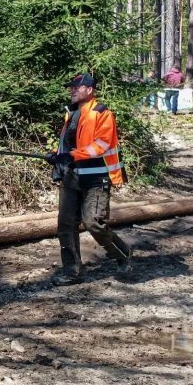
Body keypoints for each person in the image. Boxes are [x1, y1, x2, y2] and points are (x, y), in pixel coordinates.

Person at [44, 73, 133, 286]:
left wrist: (72, 155)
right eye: (71, 87)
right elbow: (70, 143)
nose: (72, 90)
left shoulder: (102, 114)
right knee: (65, 225)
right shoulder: (72, 113)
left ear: (89, 90)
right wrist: (56, 154)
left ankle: (123, 254)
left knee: (94, 223)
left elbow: (100, 145)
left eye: (77, 87)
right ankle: (72, 272)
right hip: (71, 176)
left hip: (96, 178)